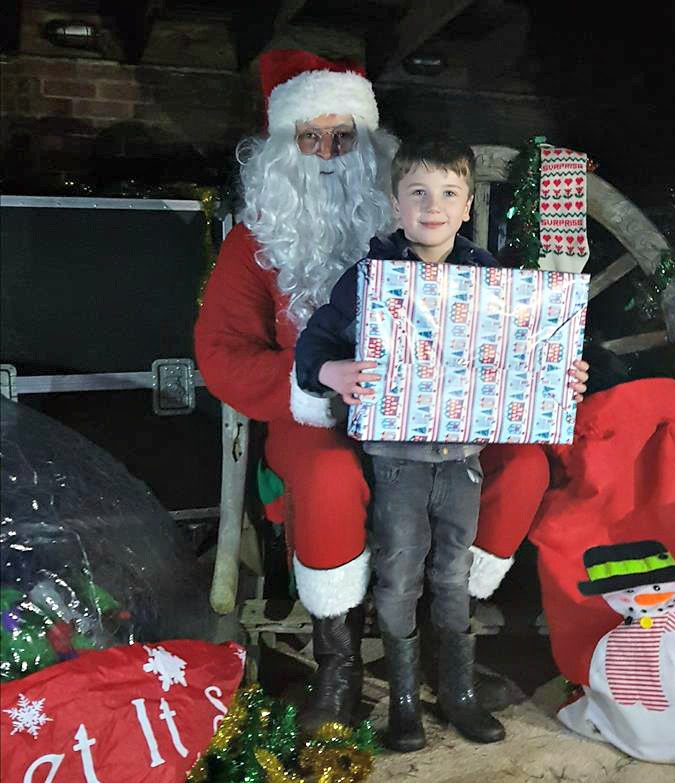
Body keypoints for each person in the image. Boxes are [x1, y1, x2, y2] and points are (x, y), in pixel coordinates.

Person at [196, 50, 589, 736]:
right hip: (321, 411)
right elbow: (221, 354)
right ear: (279, 149)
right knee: (324, 476)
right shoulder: (252, 244)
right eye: (308, 137)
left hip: (445, 408)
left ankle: (447, 645)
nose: (325, 153)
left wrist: (549, 374)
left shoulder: (426, 233)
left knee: (522, 463)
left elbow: (504, 335)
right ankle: (339, 665)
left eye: (342, 137)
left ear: (370, 147)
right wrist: (318, 380)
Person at [294, 138, 589, 750]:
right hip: (396, 460)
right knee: (400, 574)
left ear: (466, 204)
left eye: (449, 193)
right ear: (396, 204)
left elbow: (522, 355)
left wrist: (559, 375)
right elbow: (312, 347)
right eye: (418, 193)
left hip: (463, 458)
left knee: (453, 575)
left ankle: (455, 691)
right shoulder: (371, 277)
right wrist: (333, 373)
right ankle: (404, 700)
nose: (433, 206)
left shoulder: (491, 279)